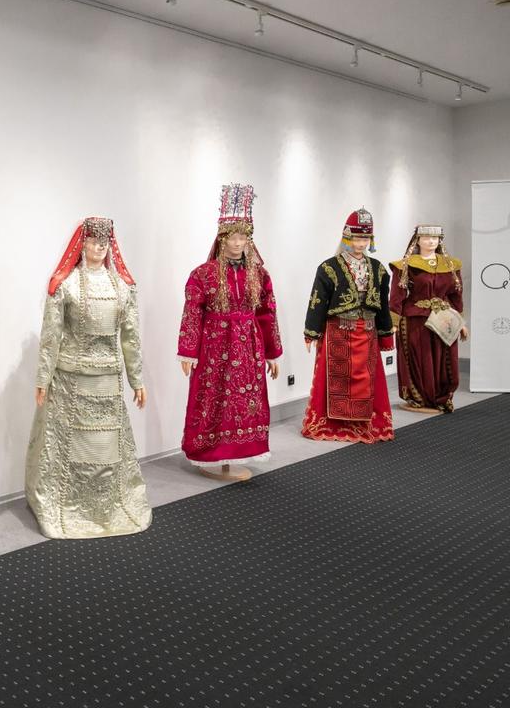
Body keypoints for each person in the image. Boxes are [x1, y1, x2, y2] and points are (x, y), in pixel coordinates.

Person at [26, 217, 151, 538]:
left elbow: (130, 338)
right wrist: (43, 377)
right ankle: (67, 503)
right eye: (93, 241)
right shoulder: (65, 286)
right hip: (70, 381)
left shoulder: (122, 288)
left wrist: (137, 381)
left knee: (105, 444)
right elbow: (51, 336)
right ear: (81, 243)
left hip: (108, 381)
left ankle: (106, 503)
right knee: (69, 445)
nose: (98, 247)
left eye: (104, 242)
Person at [177, 184, 282, 482]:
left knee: (246, 398)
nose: (238, 243)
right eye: (233, 237)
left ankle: (240, 451)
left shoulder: (259, 274)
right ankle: (211, 452)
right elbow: (192, 312)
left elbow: (267, 312)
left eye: (244, 237)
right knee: (214, 398)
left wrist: (273, 352)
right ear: (222, 239)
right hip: (214, 346)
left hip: (248, 346)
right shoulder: (203, 274)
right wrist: (188, 350)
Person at [300, 208, 395, 443]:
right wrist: (311, 332)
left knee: (366, 380)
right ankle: (333, 424)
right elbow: (317, 301)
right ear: (346, 237)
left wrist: (386, 334)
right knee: (337, 380)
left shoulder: (378, 269)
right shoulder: (329, 268)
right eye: (356, 238)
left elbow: (383, 304)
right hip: (338, 332)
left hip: (368, 332)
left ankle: (363, 422)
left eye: (365, 238)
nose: (361, 243)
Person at [390, 224, 468, 413]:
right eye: (426, 238)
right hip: (415, 319)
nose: (431, 241)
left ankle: (441, 397)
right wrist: (393, 323)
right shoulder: (406, 265)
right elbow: (397, 295)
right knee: (419, 359)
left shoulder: (451, 265)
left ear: (440, 240)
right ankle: (420, 398)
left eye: (435, 238)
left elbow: (456, 295)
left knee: (445, 359)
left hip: (444, 319)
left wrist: (461, 322)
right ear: (418, 240)